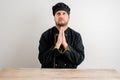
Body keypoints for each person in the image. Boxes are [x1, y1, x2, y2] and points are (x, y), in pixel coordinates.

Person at [38, 2, 85, 68]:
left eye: (64, 13)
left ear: (68, 17)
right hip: (49, 76)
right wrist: (57, 45)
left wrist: (65, 45)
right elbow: (42, 60)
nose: (61, 16)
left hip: (70, 76)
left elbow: (79, 59)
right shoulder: (45, 35)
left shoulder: (76, 36)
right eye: (58, 14)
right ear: (54, 17)